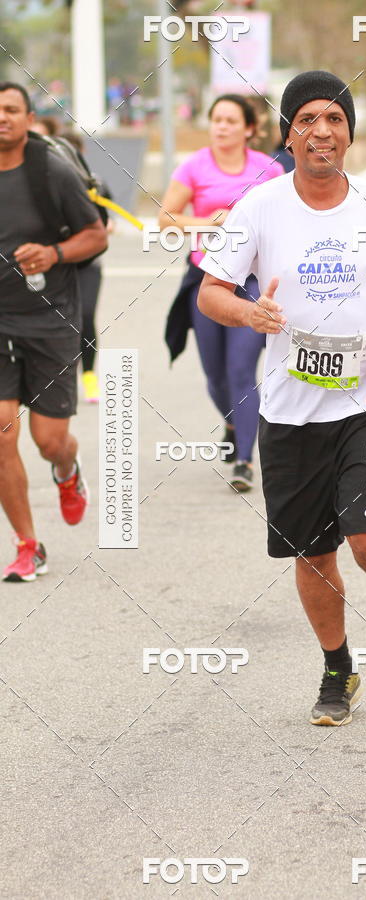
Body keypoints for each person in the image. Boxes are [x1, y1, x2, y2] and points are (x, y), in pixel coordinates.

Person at [198, 71, 366, 726]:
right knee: (312, 552)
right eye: (306, 119)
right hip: (288, 411)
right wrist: (250, 314)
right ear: (287, 134)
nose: (321, 131)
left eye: (334, 118)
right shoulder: (260, 207)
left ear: (350, 132)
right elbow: (211, 291)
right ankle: (338, 668)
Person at [0, 82, 107, 582]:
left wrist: (53, 254)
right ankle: (27, 544)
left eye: (11, 109)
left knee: (49, 440)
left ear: (26, 117)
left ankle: (68, 470)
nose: (2, 117)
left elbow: (96, 234)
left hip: (50, 317)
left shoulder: (51, 171)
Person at [160, 94, 284, 492]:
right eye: (217, 119)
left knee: (239, 370)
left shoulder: (268, 169)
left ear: (249, 128)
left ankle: (245, 460)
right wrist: (207, 221)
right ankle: (234, 421)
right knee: (215, 376)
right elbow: (166, 218)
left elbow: (289, 216)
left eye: (231, 120)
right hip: (205, 278)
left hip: (249, 282)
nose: (222, 126)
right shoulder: (194, 166)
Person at [62, 130, 114, 404]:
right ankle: (60, 378)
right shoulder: (50, 183)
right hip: (59, 263)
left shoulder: (95, 184)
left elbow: (107, 219)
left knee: (85, 315)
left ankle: (90, 375)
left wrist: (107, 227)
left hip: (89, 264)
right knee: (60, 320)